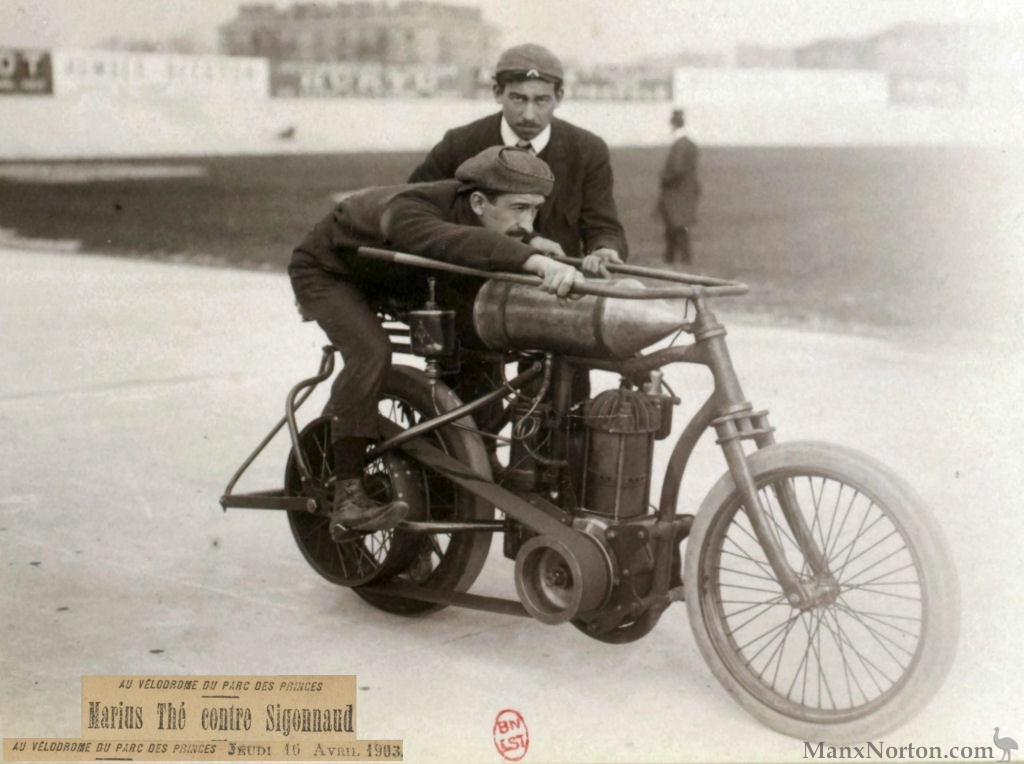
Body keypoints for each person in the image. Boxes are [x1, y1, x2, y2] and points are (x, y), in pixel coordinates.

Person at [289, 146, 585, 533]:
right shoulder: (410, 209)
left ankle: (475, 454)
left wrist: (527, 244)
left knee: (483, 343)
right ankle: (346, 492)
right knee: (370, 352)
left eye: (534, 210)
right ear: (478, 201)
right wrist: (531, 257)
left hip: (395, 276)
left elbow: (470, 242)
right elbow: (446, 240)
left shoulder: (478, 216)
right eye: (519, 209)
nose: (528, 222)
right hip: (331, 274)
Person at [408, 43, 628, 272]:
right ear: (496, 92)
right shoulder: (458, 143)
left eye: (541, 100)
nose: (529, 115)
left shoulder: (588, 150)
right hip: (475, 286)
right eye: (518, 99)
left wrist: (605, 248)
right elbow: (416, 210)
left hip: (557, 293)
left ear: (559, 97)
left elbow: (603, 225)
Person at [657, 108, 701, 265]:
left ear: (673, 124)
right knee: (678, 226)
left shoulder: (680, 145)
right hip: (687, 191)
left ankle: (679, 259)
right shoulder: (690, 144)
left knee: (675, 226)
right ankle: (674, 259)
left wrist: (664, 177)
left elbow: (677, 168)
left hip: (676, 192)